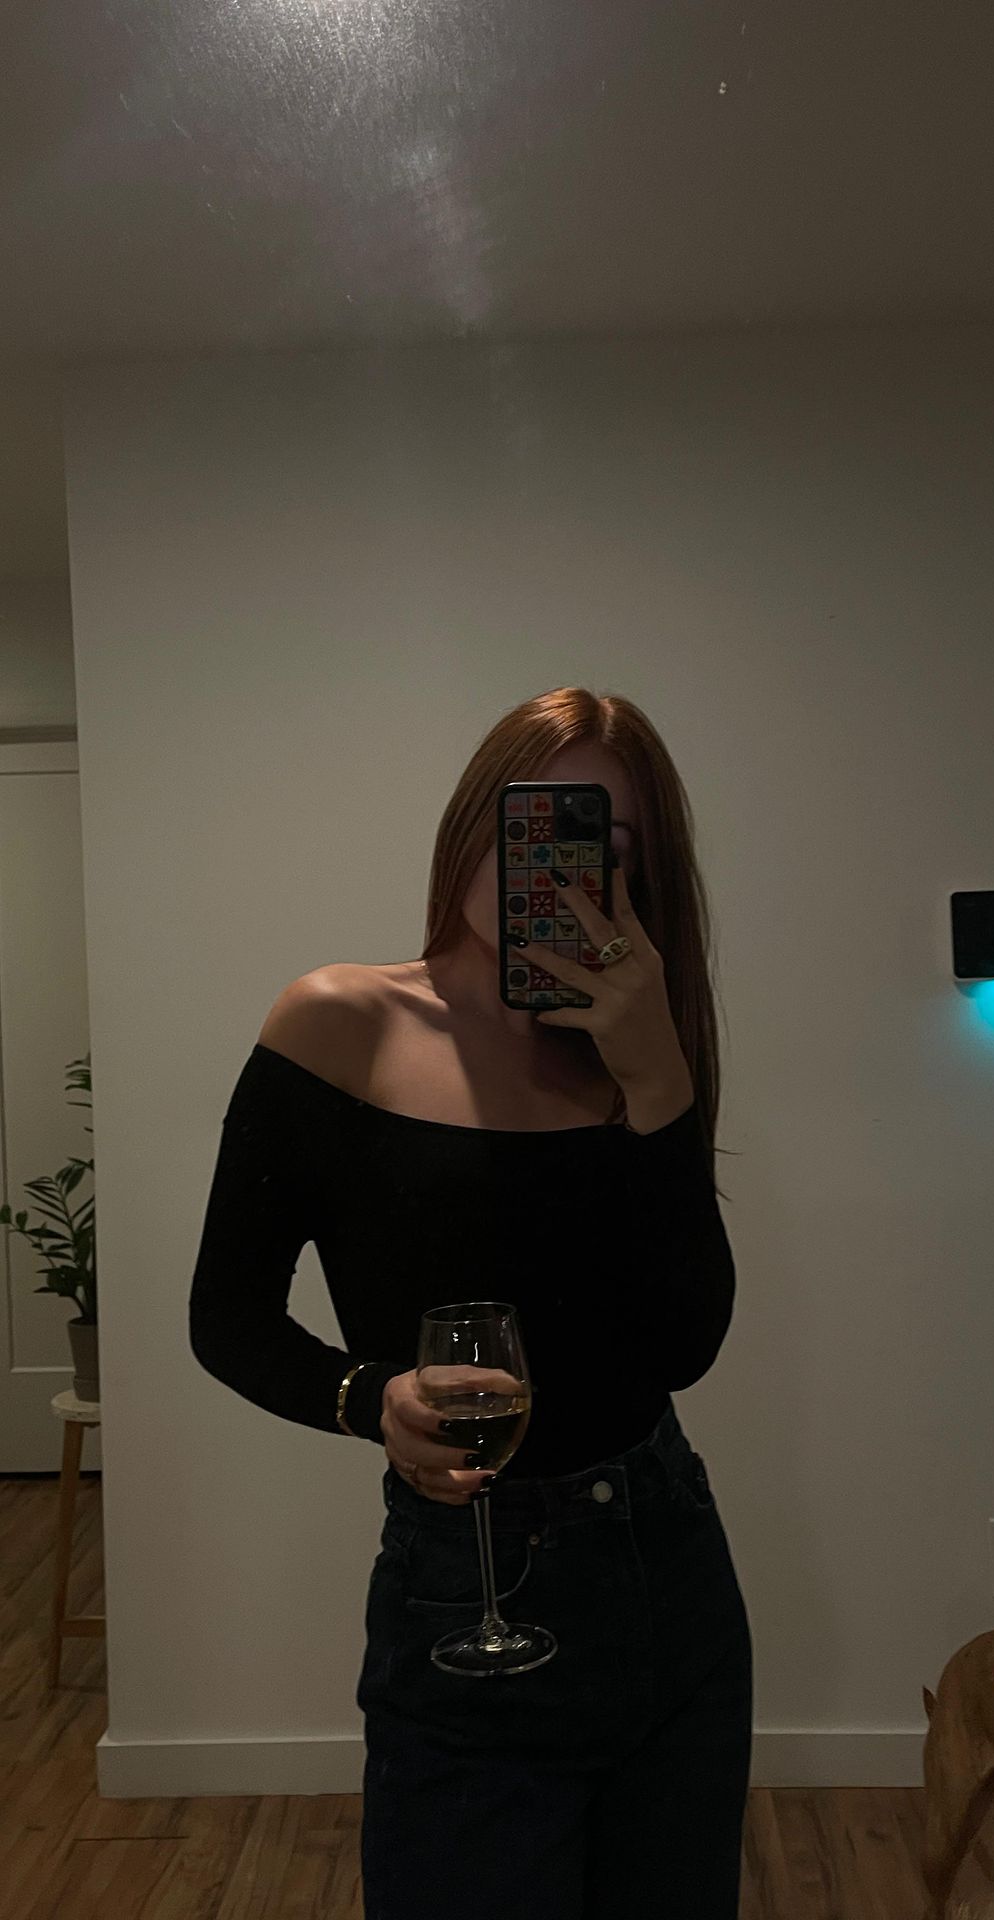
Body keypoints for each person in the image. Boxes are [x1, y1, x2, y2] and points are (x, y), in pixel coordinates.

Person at [188, 685, 753, 1920]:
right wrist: (369, 1400)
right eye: (532, 818)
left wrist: (660, 1082)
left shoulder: (634, 1053)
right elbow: (226, 1316)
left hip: (667, 1571)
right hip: (465, 1580)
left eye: (600, 840)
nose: (554, 863)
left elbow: (686, 1343)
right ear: (472, 825)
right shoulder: (338, 1022)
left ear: (638, 878)